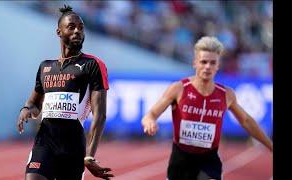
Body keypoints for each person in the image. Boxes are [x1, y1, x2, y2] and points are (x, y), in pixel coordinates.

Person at [141, 36, 273, 180]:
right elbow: (151, 113)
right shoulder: (179, 89)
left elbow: (246, 121)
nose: (207, 67)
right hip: (181, 159)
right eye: (203, 62)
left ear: (218, 66)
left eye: (212, 63)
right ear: (195, 63)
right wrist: (149, 121)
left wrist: (270, 145)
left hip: (209, 160)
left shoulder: (226, 95)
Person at [17, 5, 114, 180]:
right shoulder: (45, 67)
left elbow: (100, 115)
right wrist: (26, 110)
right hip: (44, 143)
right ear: (59, 32)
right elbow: (34, 105)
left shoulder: (93, 65)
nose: (78, 31)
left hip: (73, 147)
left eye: (81, 28)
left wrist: (90, 155)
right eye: (72, 27)